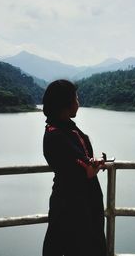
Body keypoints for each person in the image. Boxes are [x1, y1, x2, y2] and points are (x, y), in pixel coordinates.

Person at [42, 79, 107, 256]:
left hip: (77, 202)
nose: (78, 103)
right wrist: (95, 164)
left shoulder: (63, 130)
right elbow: (85, 170)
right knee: (80, 247)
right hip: (73, 206)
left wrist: (92, 162)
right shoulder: (57, 135)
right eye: (76, 99)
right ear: (65, 104)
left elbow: (81, 162)